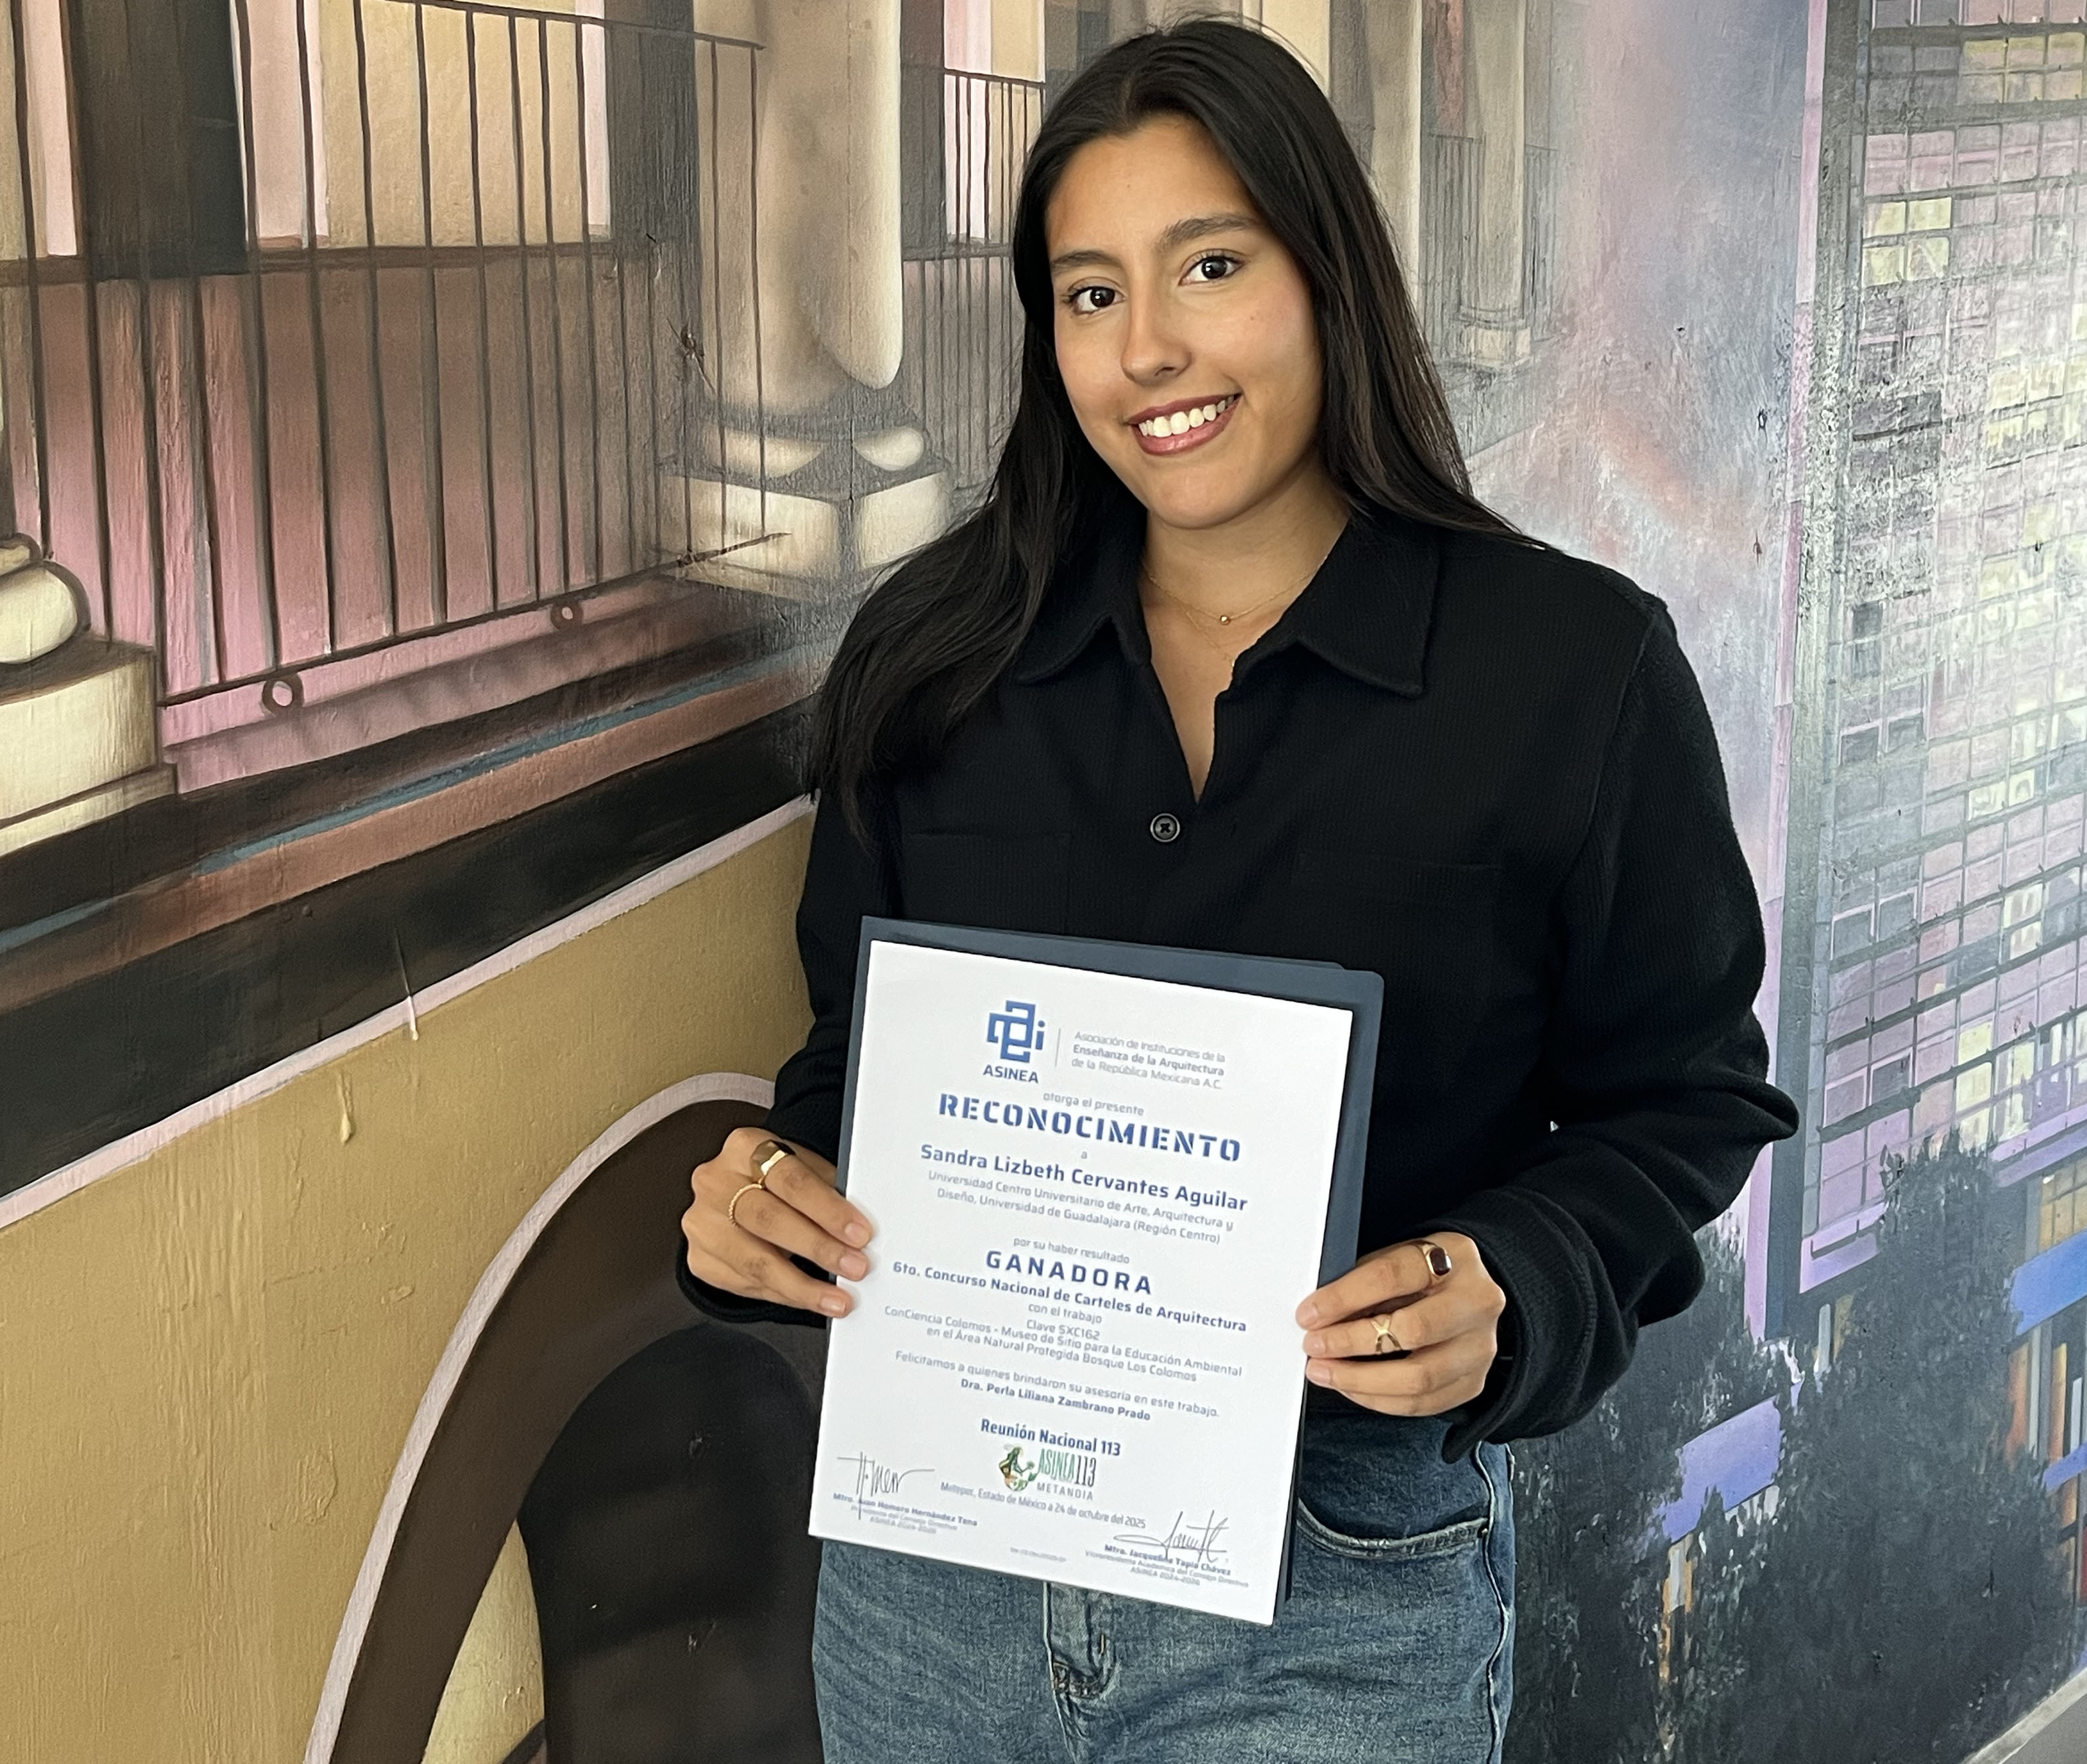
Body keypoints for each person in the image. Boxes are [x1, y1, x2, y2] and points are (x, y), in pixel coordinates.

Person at [676, 19, 1798, 1763]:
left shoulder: (1570, 674)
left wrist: (1513, 1283)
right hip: (935, 1586)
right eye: (1091, 292)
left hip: (1335, 1578)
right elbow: (858, 1064)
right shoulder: (936, 659)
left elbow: (1686, 1099)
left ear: (1326, 277)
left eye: (1211, 265)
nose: (1150, 348)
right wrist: (774, 1199)